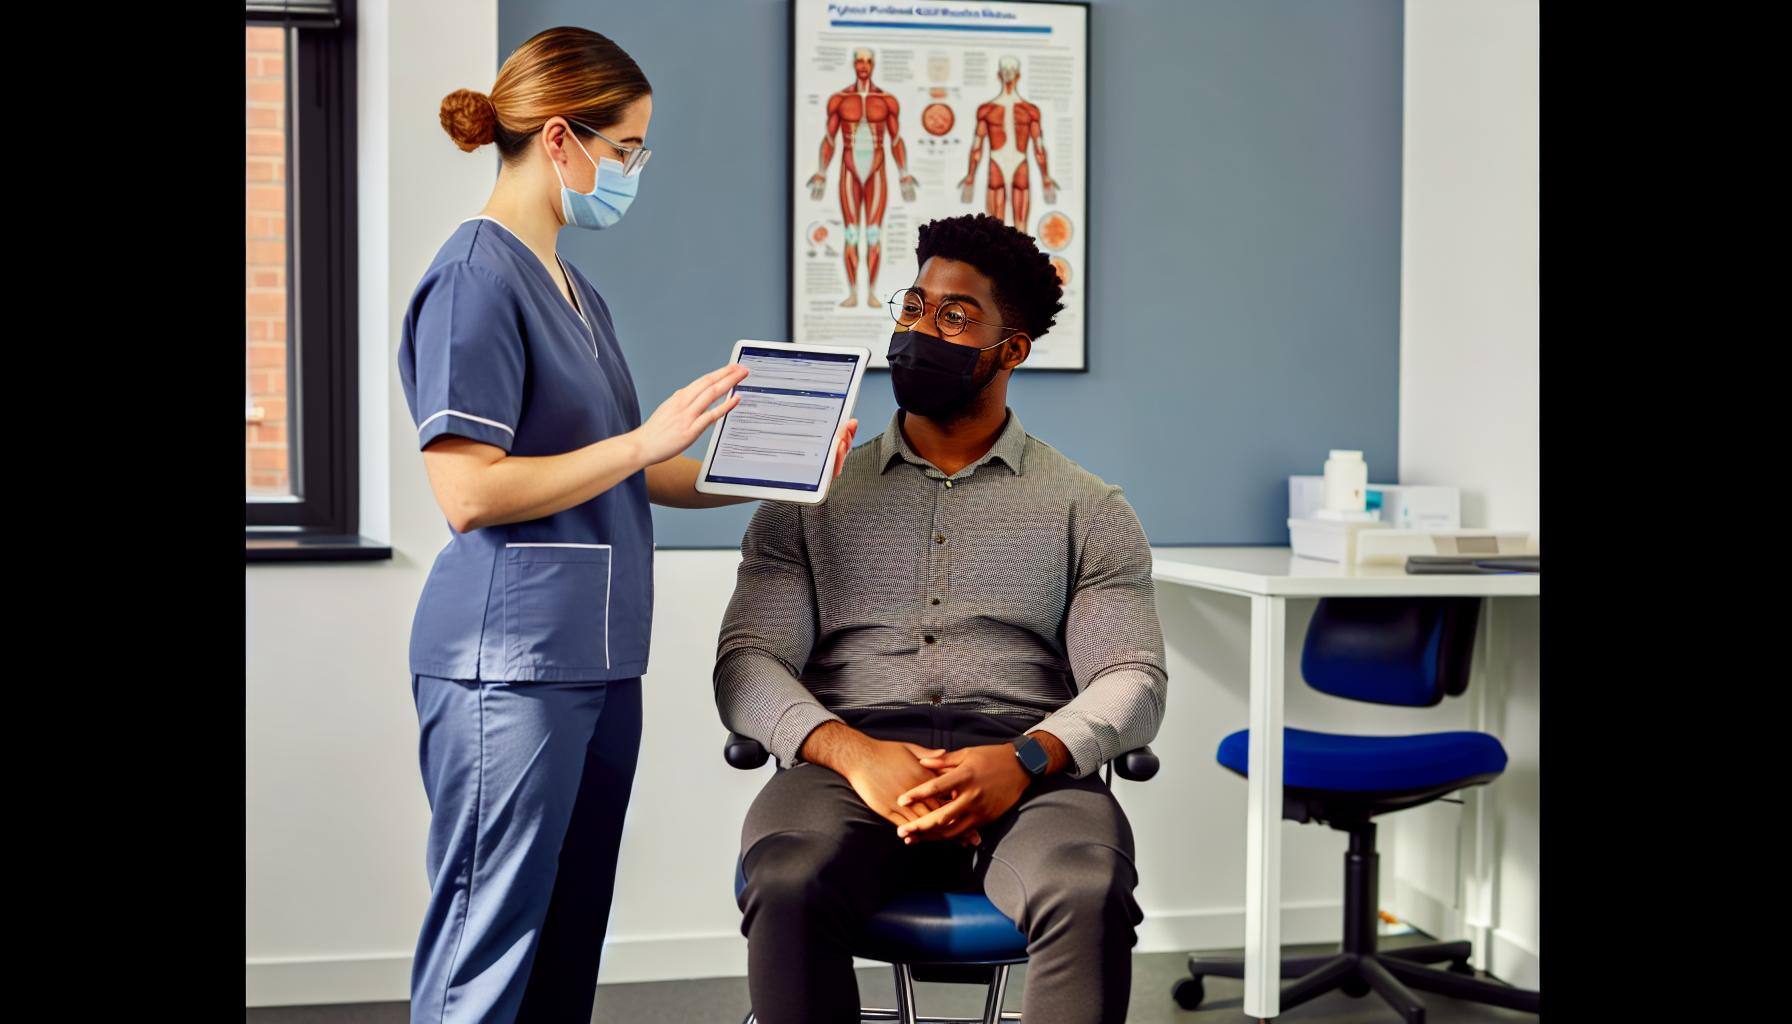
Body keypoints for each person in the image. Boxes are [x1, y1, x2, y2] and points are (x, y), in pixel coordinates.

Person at [398, 26, 855, 1024]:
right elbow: (468, 491)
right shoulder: (475, 277)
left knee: (564, 936)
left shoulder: (576, 292)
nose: (633, 171)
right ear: (560, 139)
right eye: (627, 149)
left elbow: (628, 474)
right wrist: (645, 440)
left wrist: (778, 466)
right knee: (489, 937)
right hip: (506, 659)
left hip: (598, 659)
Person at [715, 213, 1166, 1024]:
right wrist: (855, 756)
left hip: (1030, 769)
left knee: (1088, 888)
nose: (922, 331)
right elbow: (747, 664)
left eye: (955, 317)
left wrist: (1024, 758)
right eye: (914, 308)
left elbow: (1132, 680)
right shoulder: (807, 500)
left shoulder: (1089, 509)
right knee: (787, 879)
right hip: (845, 766)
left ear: (1013, 349)